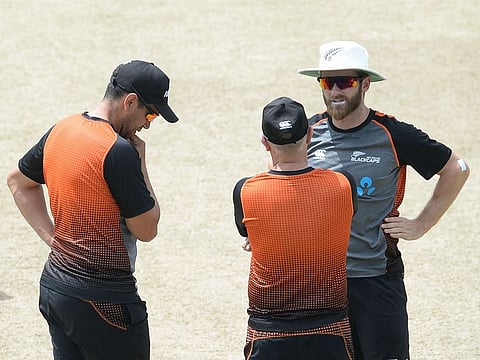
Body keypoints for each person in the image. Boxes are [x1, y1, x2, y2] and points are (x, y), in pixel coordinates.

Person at [296, 40, 470, 359]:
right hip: (319, 282)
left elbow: (456, 168)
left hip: (376, 279)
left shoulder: (392, 133)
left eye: (345, 82)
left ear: (365, 85)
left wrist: (421, 224)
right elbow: (282, 180)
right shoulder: (307, 131)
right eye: (327, 81)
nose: (335, 91)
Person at [6, 60, 179, 359]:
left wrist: (54, 241)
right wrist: (141, 163)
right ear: (130, 101)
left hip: (55, 289)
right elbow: (147, 228)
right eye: (149, 113)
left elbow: (18, 182)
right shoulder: (119, 151)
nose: (148, 124)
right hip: (104, 301)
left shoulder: (62, 129)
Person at [233, 96, 358, 360]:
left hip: (267, 332)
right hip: (330, 328)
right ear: (310, 134)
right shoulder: (343, 185)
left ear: (265, 143)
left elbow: (250, 235)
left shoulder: (245, 191)